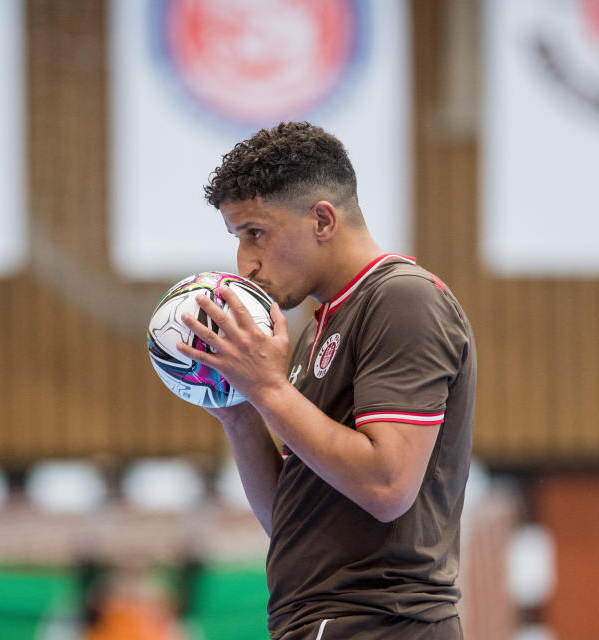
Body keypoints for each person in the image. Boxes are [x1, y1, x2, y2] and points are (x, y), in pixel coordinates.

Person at [176, 122, 475, 639]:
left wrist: (269, 389)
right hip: (325, 621)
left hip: (380, 623)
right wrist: (240, 411)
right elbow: (291, 520)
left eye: (255, 233)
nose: (245, 263)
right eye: (237, 238)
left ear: (322, 219)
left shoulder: (403, 299)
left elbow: (386, 485)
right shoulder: (320, 325)